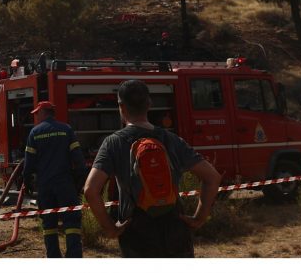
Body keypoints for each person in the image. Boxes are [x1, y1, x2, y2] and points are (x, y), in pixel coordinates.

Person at [84, 80, 221, 258]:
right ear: (149, 104)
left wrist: (110, 228)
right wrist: (199, 218)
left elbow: (90, 190)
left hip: (136, 236)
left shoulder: (113, 143)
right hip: (176, 233)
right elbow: (212, 178)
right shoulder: (172, 140)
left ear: (121, 107)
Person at [23, 101, 86, 258]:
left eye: (37, 113)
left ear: (44, 112)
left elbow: (29, 162)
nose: (36, 116)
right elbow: (78, 159)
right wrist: (79, 181)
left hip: (45, 186)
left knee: (49, 223)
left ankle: (53, 257)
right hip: (65, 183)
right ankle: (74, 257)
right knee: (71, 222)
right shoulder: (66, 129)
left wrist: (26, 182)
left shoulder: (35, 132)